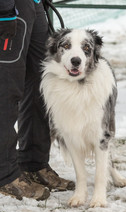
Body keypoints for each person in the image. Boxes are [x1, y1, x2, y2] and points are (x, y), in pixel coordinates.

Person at [0, 0, 74, 201]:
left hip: (33, 4)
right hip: (10, 8)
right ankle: (5, 175)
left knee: (42, 82)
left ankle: (34, 163)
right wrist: (5, 10)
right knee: (6, 87)